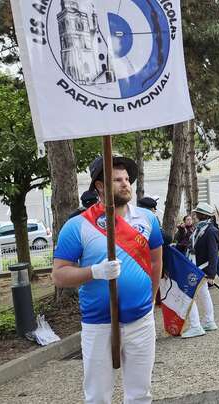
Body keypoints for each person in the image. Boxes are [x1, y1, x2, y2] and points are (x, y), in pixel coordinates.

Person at [51, 156, 163, 403]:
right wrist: (94, 272)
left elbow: (156, 262)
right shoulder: (77, 226)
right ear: (99, 186)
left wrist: (149, 300)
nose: (126, 184)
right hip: (98, 323)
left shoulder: (148, 219)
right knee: (98, 396)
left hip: (140, 320)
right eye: (117, 180)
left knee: (140, 393)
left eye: (127, 179)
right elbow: (59, 275)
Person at [180, 202, 219, 338]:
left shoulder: (210, 231)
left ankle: (195, 325)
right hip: (196, 266)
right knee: (203, 294)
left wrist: (211, 274)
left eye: (197, 213)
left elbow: (213, 254)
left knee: (188, 295)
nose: (195, 215)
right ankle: (209, 321)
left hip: (201, 268)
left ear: (202, 215)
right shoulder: (200, 228)